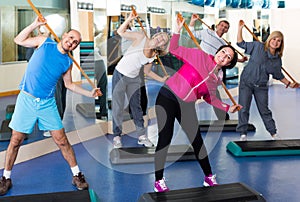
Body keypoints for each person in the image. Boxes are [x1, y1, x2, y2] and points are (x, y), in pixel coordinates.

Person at [0, 16, 101, 195]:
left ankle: (77, 174)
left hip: (47, 103)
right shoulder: (44, 42)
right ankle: (6, 178)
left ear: (76, 46)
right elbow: (18, 40)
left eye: (75, 42)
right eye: (70, 38)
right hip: (27, 100)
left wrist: (90, 93)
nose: (71, 42)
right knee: (15, 141)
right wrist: (35, 24)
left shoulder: (68, 63)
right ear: (64, 36)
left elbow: (69, 85)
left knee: (62, 140)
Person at [153, 16, 241, 192]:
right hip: (168, 97)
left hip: (186, 105)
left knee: (197, 141)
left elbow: (211, 98)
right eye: (223, 52)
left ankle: (209, 177)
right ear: (219, 51)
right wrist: (177, 30)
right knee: (165, 138)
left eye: (228, 57)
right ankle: (159, 180)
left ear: (229, 64)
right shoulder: (199, 55)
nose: (224, 56)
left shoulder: (218, 78)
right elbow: (175, 49)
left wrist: (227, 108)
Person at [112, 11, 169, 149]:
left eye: (163, 41)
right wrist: (129, 19)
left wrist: (161, 79)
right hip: (120, 74)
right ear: (156, 35)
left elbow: (146, 71)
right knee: (118, 106)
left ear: (162, 46)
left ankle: (142, 136)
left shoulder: (153, 55)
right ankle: (117, 136)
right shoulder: (141, 37)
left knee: (136, 108)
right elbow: (121, 31)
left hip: (134, 78)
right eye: (160, 36)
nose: (160, 39)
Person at [236, 20, 299, 141]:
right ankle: (243, 134)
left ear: (281, 44)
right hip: (246, 83)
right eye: (274, 39)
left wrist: (290, 84)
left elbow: (278, 75)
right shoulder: (257, 46)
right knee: (243, 108)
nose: (275, 42)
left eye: (279, 40)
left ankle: (273, 133)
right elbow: (240, 43)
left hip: (261, 87)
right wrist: (240, 29)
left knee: (264, 110)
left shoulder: (276, 60)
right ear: (270, 39)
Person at [189, 14, 247, 120]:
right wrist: (193, 20)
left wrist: (240, 60)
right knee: (192, 92)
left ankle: (223, 117)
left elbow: (228, 57)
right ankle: (188, 118)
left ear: (227, 30)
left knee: (213, 94)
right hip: (199, 68)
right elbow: (191, 33)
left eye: (225, 27)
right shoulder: (206, 32)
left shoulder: (224, 44)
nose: (223, 28)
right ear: (217, 26)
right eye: (221, 25)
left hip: (212, 72)